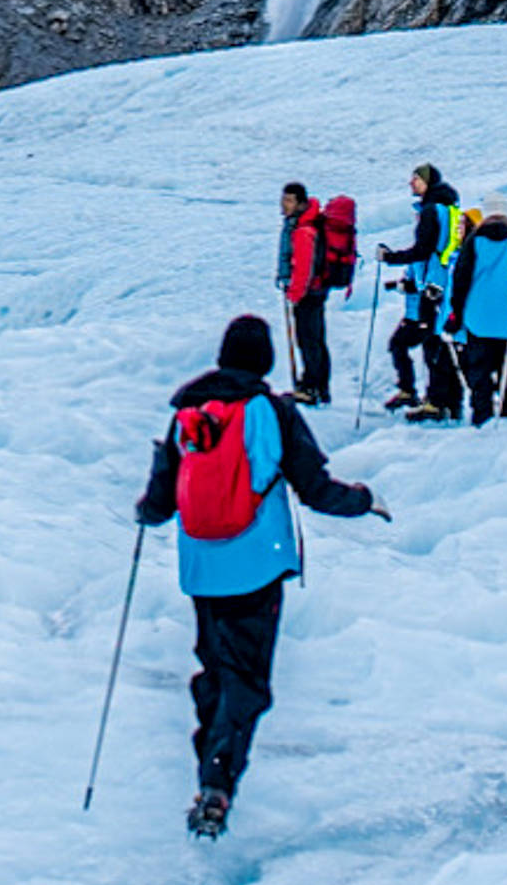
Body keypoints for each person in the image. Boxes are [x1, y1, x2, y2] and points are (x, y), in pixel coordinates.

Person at [133, 313, 387, 835]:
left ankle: (209, 772)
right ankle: (218, 785)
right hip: (257, 566)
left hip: (202, 565)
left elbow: (160, 501)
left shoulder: (189, 411)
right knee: (247, 682)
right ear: (266, 360)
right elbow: (314, 489)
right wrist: (364, 501)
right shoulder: (272, 412)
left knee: (216, 671)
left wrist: (145, 511)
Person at [386, 164, 467, 420]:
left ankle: (436, 402)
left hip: (431, 285)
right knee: (437, 340)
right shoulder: (449, 208)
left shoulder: (432, 210)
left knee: (432, 343)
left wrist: (391, 258)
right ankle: (450, 401)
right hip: (443, 283)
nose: (411, 183)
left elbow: (422, 250)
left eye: (416, 179)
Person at [444, 196, 507, 423]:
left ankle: (482, 414)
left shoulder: (474, 240)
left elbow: (461, 279)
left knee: (479, 368)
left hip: (478, 315)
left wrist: (456, 313)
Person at [277, 180, 342, 408]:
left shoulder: (304, 230)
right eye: (283, 199)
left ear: (301, 203)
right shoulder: (305, 224)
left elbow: (304, 266)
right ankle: (318, 387)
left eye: (289, 200)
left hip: (309, 292)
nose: (284, 205)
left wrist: (294, 292)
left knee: (308, 340)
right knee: (314, 339)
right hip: (315, 290)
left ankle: (311, 387)